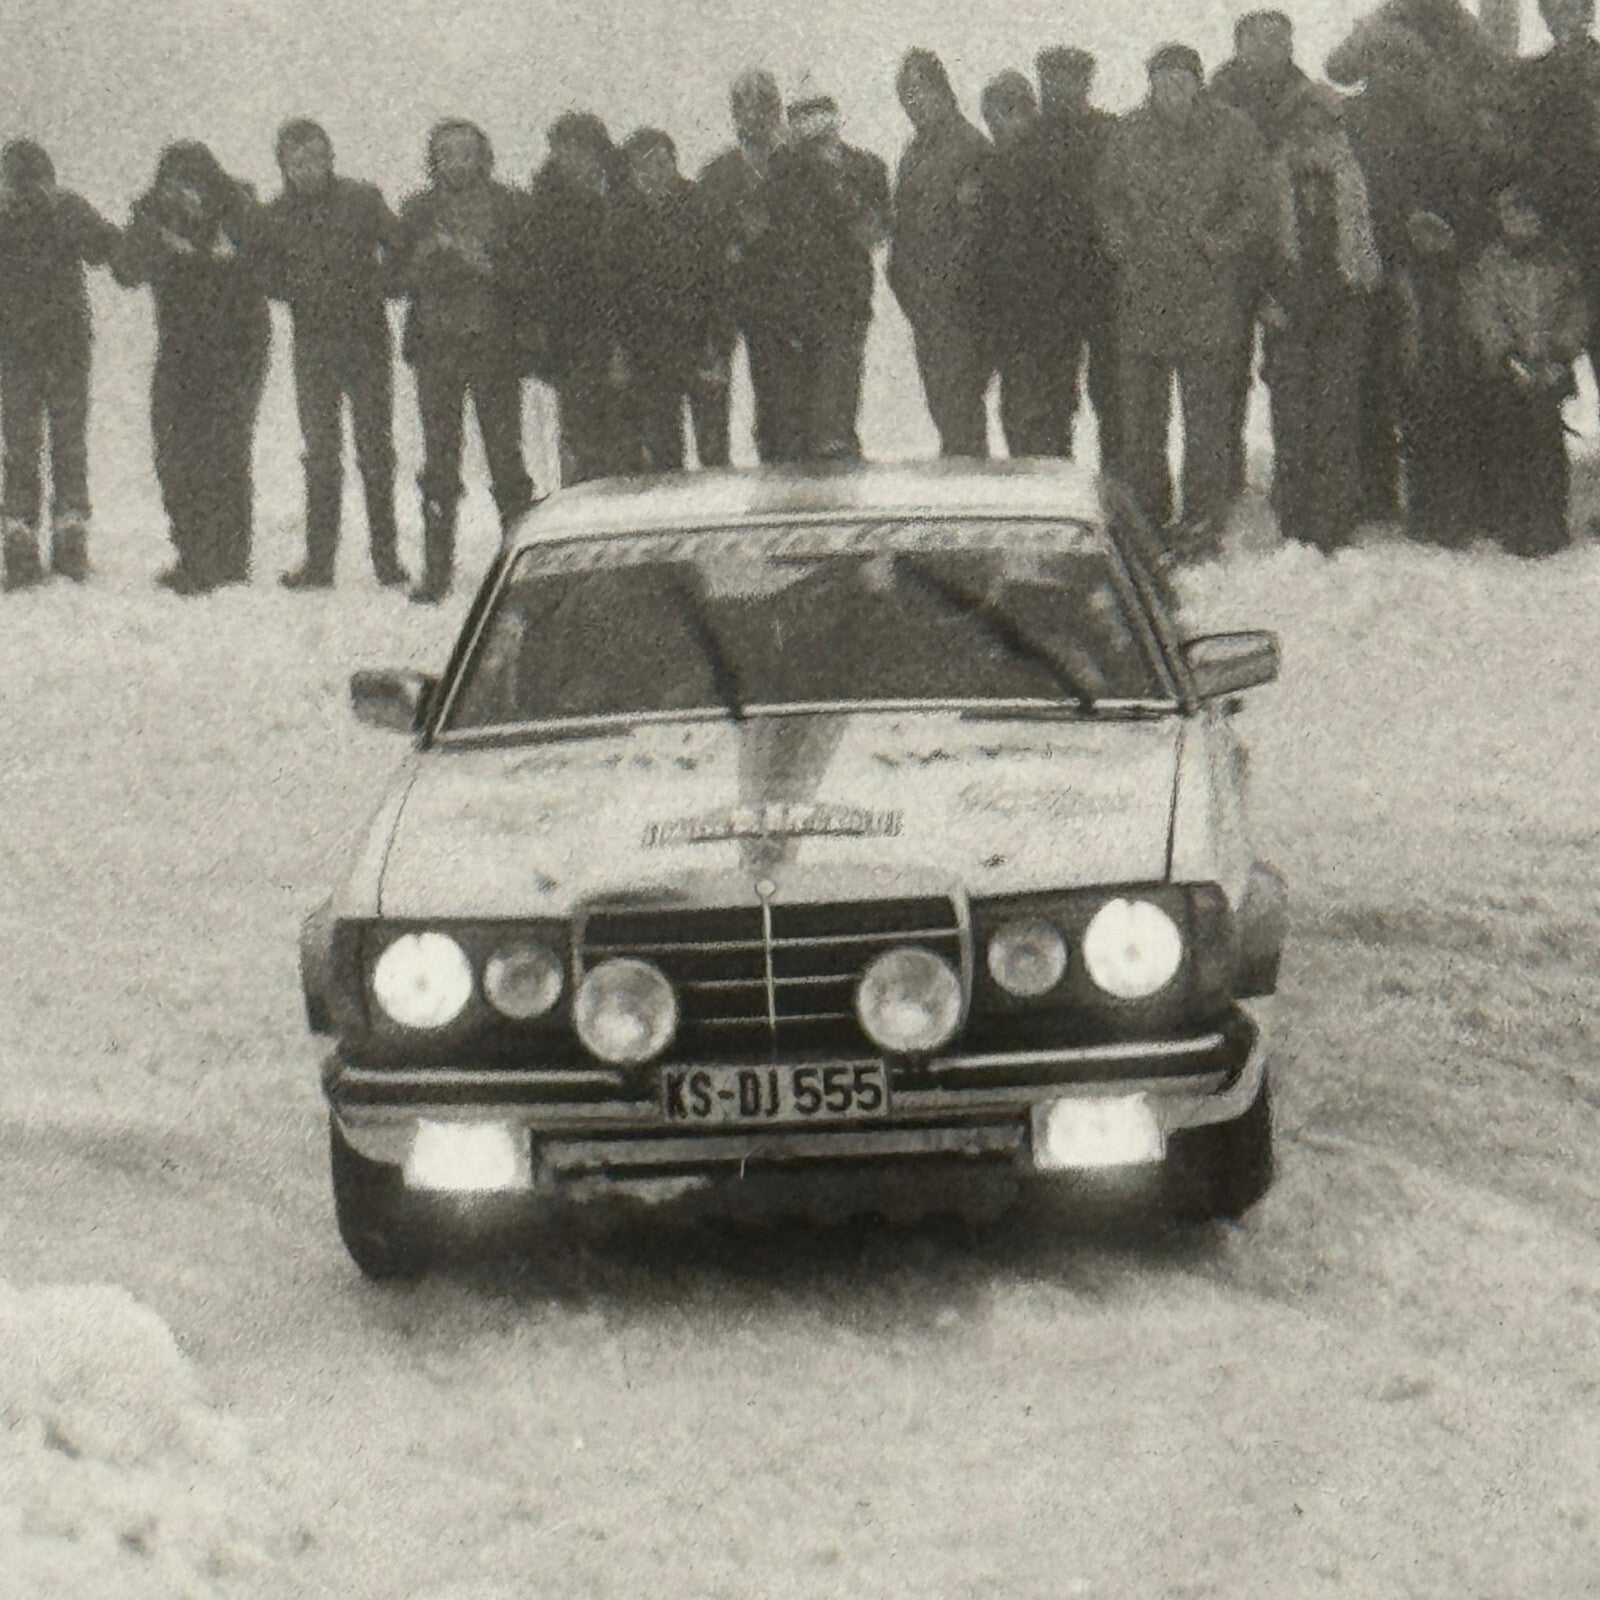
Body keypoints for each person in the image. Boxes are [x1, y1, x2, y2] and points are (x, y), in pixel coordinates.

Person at [1096, 44, 1271, 560]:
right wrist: (1119, 237)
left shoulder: (1233, 132)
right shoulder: (1127, 135)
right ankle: (1148, 519)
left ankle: (1202, 524)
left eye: (1183, 79)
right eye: (1163, 79)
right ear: (1151, 84)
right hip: (1144, 299)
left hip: (1208, 299)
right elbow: (1105, 198)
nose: (1173, 89)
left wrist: (1221, 242)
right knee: (1143, 425)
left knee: (1207, 424)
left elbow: (1258, 201)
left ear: (1199, 83)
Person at [254, 120, 407, 591]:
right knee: (321, 454)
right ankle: (319, 563)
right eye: (296, 163)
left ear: (330, 157)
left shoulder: (362, 199)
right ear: (283, 166)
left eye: (315, 160)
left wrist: (378, 286)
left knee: (375, 450)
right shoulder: (275, 213)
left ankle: (387, 559)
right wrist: (297, 290)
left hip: (366, 341)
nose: (307, 171)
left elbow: (401, 248)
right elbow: (262, 271)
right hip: (314, 346)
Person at [114, 142, 270, 595]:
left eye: (194, 183)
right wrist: (156, 233)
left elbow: (265, 261)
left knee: (225, 450)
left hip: (238, 348)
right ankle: (193, 552)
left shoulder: (239, 211)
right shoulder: (154, 218)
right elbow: (126, 270)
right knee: (174, 454)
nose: (185, 193)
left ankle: (227, 559)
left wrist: (216, 247)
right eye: (175, 184)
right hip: (180, 351)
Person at [396, 120, 534, 604]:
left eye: (466, 152)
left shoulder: (510, 206)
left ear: (483, 157)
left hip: (493, 349)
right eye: (445, 153)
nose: (456, 162)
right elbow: (395, 278)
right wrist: (426, 256)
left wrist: (484, 264)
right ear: (433, 160)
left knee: (505, 458)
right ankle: (436, 573)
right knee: (439, 460)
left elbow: (528, 275)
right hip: (436, 350)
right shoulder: (417, 210)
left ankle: (522, 565)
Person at [1260, 89, 1383, 552]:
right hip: (1288, 303)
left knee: (1337, 412)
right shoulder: (1273, 175)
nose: (1313, 133)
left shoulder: (1352, 175)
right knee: (1291, 413)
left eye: (1323, 124)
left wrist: (1361, 283)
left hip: (1341, 300)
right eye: (1303, 125)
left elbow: (1367, 238)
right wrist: (1265, 297)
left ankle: (1334, 519)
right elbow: (1259, 243)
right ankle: (1294, 518)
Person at [0, 141, 120, 589]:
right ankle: (60, 539)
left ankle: (23, 540)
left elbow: (107, 248)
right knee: (57, 447)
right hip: (53, 348)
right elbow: (109, 248)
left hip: (27, 350)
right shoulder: (64, 209)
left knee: (24, 448)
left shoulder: (47, 213)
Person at [1210, 13, 1319, 500]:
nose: (1270, 48)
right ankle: (1224, 474)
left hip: (1287, 252)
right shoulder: (1214, 100)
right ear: (1239, 45)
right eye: (1258, 39)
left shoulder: (1307, 99)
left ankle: (1293, 478)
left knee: (1291, 369)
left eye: (1279, 39)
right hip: (1230, 255)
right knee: (1223, 369)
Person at [1459, 182, 1589, 555]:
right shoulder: (1489, 262)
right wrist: (1508, 356)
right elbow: (1483, 313)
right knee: (1509, 444)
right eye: (1513, 216)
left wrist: (1561, 353)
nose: (1522, 224)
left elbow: (1575, 309)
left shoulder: (1558, 261)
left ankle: (1549, 521)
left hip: (1549, 364)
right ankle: (1511, 521)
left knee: (1547, 444)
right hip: (1507, 370)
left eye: (1529, 216)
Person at [759, 93, 890, 461]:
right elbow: (761, 233)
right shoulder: (782, 172)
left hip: (843, 309)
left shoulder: (866, 168)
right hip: (788, 317)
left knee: (834, 427)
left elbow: (874, 234)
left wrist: (834, 181)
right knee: (791, 430)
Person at [1018, 46, 1120, 467]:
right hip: (1048, 295)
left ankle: (1125, 503)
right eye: (1052, 81)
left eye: (1070, 80)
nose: (1060, 90)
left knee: (1115, 402)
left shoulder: (1111, 134)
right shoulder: (1025, 145)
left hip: (1105, 287)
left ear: (1086, 84)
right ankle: (1051, 498)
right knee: (1050, 407)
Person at [888, 48, 992, 458]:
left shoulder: (970, 147)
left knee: (963, 410)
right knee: (944, 408)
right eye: (905, 96)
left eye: (919, 91)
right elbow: (901, 227)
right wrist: (905, 283)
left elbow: (977, 232)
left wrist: (947, 286)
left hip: (962, 306)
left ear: (942, 90)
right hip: (925, 305)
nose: (913, 104)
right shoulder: (913, 154)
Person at [522, 113, 632, 486]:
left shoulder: (623, 194)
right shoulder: (546, 205)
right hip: (574, 336)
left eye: (582, 152)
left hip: (633, 330)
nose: (574, 162)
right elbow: (543, 278)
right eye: (564, 152)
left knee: (631, 436)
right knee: (583, 438)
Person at [610, 129, 724, 472]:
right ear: (631, 172)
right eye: (644, 168)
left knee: (714, 447)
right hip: (649, 346)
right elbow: (613, 288)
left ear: (675, 163)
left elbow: (718, 280)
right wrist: (620, 349)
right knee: (662, 447)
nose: (655, 175)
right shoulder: (619, 215)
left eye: (662, 164)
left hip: (699, 337)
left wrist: (717, 344)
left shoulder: (699, 205)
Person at [695, 70, 787, 465]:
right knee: (713, 393)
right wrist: (736, 236)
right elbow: (702, 237)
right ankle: (716, 479)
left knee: (776, 399)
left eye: (764, 106)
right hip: (725, 299)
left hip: (776, 299)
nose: (755, 117)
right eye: (746, 108)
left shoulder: (792, 166)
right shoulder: (717, 173)